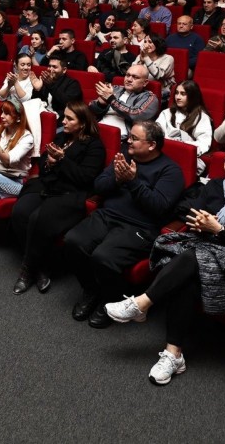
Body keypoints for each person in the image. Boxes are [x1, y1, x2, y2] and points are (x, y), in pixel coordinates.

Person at [104, 143, 225, 385]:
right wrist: (199, 220)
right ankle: (173, 355)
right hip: (202, 249)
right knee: (186, 276)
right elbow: (188, 209)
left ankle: (142, 303)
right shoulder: (216, 186)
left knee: (190, 257)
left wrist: (219, 230)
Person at [64, 120, 185, 328]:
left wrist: (132, 181)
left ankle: (110, 300)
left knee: (103, 256)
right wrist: (118, 180)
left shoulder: (170, 171)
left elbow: (159, 206)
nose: (128, 141)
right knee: (72, 241)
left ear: (152, 145)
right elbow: (99, 186)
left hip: (139, 227)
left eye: (135, 138)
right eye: (129, 136)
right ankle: (91, 289)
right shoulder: (124, 156)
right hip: (107, 215)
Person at [10, 102, 106, 295]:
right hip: (48, 185)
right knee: (20, 212)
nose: (64, 121)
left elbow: (85, 178)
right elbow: (44, 163)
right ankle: (41, 268)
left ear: (82, 123)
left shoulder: (94, 146)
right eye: (65, 117)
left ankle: (27, 270)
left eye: (70, 118)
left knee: (39, 218)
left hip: (70, 192)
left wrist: (62, 161)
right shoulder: (62, 137)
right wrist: (51, 163)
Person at [156, 80, 214, 178]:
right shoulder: (167, 112)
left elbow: (204, 143)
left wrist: (180, 146)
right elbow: (157, 133)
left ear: (192, 96)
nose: (178, 97)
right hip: (164, 152)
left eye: (183, 94)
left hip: (184, 155)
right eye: (177, 93)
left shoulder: (201, 117)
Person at [89, 64, 159, 138]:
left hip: (121, 137)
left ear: (145, 82)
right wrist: (101, 104)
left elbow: (136, 114)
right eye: (127, 75)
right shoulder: (115, 88)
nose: (129, 79)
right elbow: (91, 110)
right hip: (97, 129)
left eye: (135, 77)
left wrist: (111, 99)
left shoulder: (149, 97)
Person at [136, 35, 175, 100]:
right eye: (145, 42)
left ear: (157, 44)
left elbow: (159, 75)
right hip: (141, 89)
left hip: (161, 92)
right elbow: (132, 73)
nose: (146, 44)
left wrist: (146, 58)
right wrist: (141, 62)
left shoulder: (168, 58)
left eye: (150, 42)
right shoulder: (140, 56)